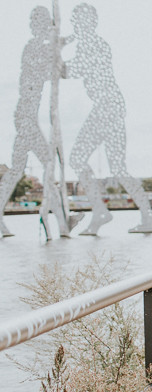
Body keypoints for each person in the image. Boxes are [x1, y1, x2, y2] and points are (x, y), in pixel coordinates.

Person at [63, 3, 152, 235]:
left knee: (80, 158)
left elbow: (71, 70)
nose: (77, 26)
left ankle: (105, 212)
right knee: (115, 166)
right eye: (75, 22)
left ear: (90, 23)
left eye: (80, 21)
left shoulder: (93, 44)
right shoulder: (89, 43)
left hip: (107, 108)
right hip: (108, 107)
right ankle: (133, 215)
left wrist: (56, 52)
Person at [0, 6, 81, 239]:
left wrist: (63, 43)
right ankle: (63, 223)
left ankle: (63, 222)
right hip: (26, 116)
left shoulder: (44, 47)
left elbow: (62, 72)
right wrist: (61, 43)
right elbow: (48, 71)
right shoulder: (33, 47)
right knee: (47, 165)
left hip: (27, 116)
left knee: (18, 170)